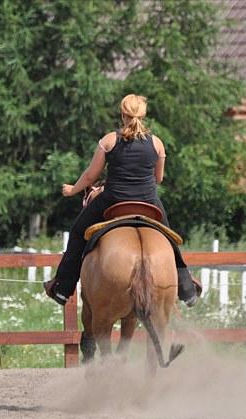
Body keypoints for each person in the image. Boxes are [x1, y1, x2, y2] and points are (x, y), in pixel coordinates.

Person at [43, 94, 202, 306]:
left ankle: (62, 289)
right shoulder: (157, 144)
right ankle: (186, 288)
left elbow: (91, 175)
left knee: (78, 232)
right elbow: (158, 178)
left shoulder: (109, 140)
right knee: (170, 239)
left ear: (122, 114)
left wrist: (73, 190)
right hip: (148, 202)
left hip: (113, 199)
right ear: (143, 116)